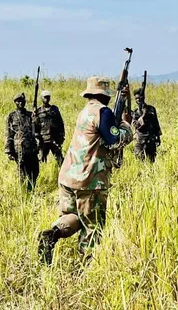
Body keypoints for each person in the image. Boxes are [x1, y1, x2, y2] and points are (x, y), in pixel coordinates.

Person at [38, 77, 133, 265]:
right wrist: (126, 125)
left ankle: (53, 233)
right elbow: (116, 140)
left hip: (68, 176)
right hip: (90, 180)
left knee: (72, 217)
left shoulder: (84, 112)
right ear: (104, 96)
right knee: (92, 226)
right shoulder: (103, 112)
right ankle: (85, 268)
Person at [4, 93, 39, 192]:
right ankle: (24, 195)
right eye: (18, 101)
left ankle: (31, 190)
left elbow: (37, 129)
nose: (20, 103)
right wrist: (9, 151)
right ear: (15, 102)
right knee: (23, 173)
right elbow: (8, 133)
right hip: (20, 149)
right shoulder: (12, 116)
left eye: (22, 101)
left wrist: (36, 118)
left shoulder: (30, 115)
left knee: (35, 171)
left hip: (32, 148)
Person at [34, 90, 65, 165]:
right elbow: (35, 126)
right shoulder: (38, 111)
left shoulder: (54, 109)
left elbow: (60, 123)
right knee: (42, 161)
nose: (47, 99)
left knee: (60, 159)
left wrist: (62, 136)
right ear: (41, 98)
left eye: (48, 97)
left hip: (55, 139)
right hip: (43, 140)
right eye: (45, 97)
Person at [132, 88, 162, 162]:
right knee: (140, 161)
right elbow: (136, 125)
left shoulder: (151, 109)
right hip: (140, 141)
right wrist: (143, 115)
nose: (138, 100)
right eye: (136, 98)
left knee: (151, 161)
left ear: (143, 97)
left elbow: (156, 123)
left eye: (140, 98)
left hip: (151, 140)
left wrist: (158, 137)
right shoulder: (135, 113)